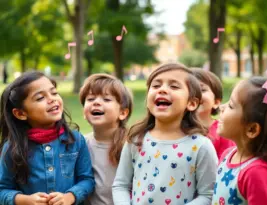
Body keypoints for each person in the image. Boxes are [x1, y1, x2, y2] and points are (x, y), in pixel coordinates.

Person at [112, 63, 218, 205]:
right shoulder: (136, 140)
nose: (162, 90)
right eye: (156, 86)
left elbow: (208, 194)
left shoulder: (201, 146)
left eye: (174, 86)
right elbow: (121, 185)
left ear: (192, 103)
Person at [0, 71, 95, 205]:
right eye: (40, 98)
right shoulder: (12, 147)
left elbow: (87, 180)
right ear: (21, 113)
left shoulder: (76, 140)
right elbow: (2, 190)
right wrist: (24, 200)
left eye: (54, 93)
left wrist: (70, 196)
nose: (52, 99)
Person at [212, 69, 267, 204]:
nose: (222, 107)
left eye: (230, 105)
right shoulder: (227, 155)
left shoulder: (257, 175)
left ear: (252, 129)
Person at [79, 73, 133, 205]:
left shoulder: (132, 144)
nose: (96, 102)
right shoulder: (80, 144)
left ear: (122, 113)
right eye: (90, 99)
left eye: (106, 99)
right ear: (84, 113)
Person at [191, 68, 235, 160]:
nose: (196, 94)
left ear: (216, 102)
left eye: (202, 90)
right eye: (190, 90)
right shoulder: (176, 129)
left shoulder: (223, 132)